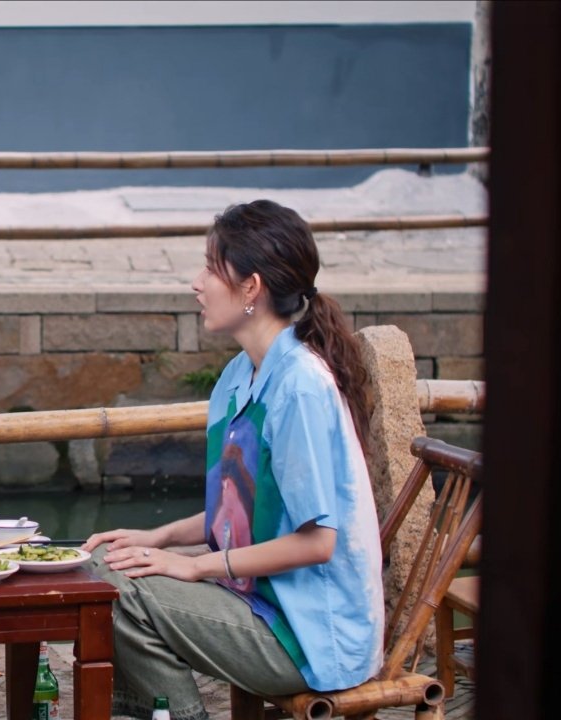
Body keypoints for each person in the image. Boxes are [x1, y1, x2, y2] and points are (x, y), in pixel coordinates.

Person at [83, 200, 384, 720]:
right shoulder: (239, 376)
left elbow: (317, 542)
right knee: (103, 561)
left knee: (116, 590)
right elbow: (241, 507)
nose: (196, 283)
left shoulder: (300, 386)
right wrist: (159, 537)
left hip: (310, 635)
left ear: (251, 288)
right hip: (255, 600)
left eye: (210, 268)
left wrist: (194, 565)